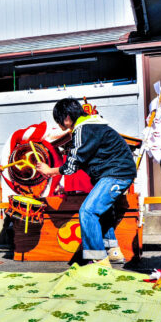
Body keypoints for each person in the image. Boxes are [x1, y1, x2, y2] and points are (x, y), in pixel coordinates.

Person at [36, 98, 136, 263]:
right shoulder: (94, 125)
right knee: (102, 210)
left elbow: (72, 164)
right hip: (117, 172)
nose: (60, 125)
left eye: (59, 120)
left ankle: (97, 260)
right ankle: (112, 250)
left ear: (67, 117)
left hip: (116, 173)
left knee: (88, 212)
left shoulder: (83, 129)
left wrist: (49, 170)